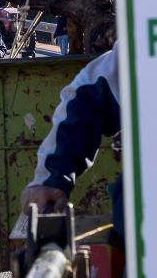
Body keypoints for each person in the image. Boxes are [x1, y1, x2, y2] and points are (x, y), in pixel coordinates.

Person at [20, 46, 123, 249]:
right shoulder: (153, 38)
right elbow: (90, 95)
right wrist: (53, 177)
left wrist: (51, 177)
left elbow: (90, 91)